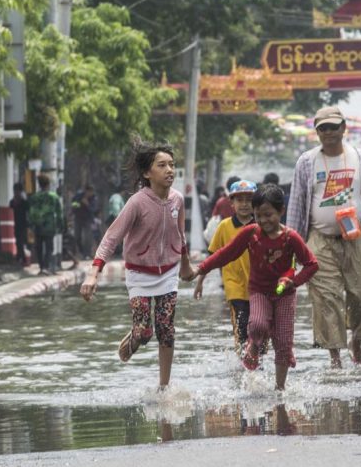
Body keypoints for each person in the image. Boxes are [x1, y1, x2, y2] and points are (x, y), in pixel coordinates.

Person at [287, 105, 361, 369]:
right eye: (323, 128)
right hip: (319, 239)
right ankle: (334, 356)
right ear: (317, 132)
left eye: (333, 127)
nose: (329, 133)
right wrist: (289, 245)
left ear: (344, 128)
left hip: (356, 237)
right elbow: (296, 204)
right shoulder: (306, 162)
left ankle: (356, 342)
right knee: (326, 297)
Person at [79, 140, 194, 389]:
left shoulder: (178, 200)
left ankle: (164, 387)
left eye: (172, 165)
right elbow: (111, 237)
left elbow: (180, 235)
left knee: (166, 329)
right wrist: (93, 275)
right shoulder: (137, 203)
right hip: (139, 273)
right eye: (161, 165)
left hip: (168, 273)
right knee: (145, 331)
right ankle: (134, 338)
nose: (169, 170)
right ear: (146, 173)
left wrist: (185, 265)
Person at [191, 184, 318, 390]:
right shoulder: (251, 233)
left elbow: (312, 265)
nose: (264, 221)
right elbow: (226, 253)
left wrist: (293, 281)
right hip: (258, 292)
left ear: (281, 212)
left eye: (269, 215)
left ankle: (279, 389)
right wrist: (200, 269)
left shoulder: (291, 237)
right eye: (259, 216)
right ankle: (253, 345)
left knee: (283, 343)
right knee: (257, 325)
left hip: (285, 295)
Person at [193, 180, 258, 354]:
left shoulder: (261, 226)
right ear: (232, 203)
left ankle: (255, 358)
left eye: (248, 200)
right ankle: (243, 361)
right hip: (234, 286)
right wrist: (200, 282)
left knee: (260, 328)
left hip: (259, 288)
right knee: (241, 326)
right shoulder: (224, 227)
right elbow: (213, 257)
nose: (244, 204)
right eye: (239, 200)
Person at [28, 174, 64, 276]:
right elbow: (59, 213)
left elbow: (31, 212)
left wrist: (31, 224)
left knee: (38, 247)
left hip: (38, 226)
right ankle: (46, 267)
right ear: (48, 184)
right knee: (49, 247)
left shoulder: (35, 197)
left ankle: (42, 267)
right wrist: (61, 225)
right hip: (49, 226)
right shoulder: (54, 197)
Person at [72, 185, 98, 259]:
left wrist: (87, 204)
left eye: (92, 192)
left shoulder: (94, 198)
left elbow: (93, 210)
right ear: (86, 191)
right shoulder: (78, 195)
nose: (91, 194)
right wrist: (79, 204)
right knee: (77, 236)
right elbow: (73, 204)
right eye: (89, 192)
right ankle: (81, 252)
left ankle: (87, 254)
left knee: (87, 237)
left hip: (88, 219)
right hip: (78, 218)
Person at [10, 182, 29, 266]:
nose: (16, 193)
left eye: (17, 191)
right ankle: (21, 258)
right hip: (16, 224)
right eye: (15, 191)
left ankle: (21, 258)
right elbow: (10, 208)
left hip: (23, 224)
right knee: (18, 242)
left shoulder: (24, 201)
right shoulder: (13, 201)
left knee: (21, 241)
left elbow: (28, 210)